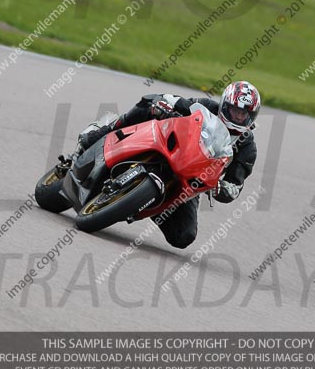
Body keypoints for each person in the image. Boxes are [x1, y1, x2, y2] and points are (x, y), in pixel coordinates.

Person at [77, 81, 261, 249]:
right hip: (173, 148)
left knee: (183, 236)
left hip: (190, 180)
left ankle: (146, 200)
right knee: (149, 104)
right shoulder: (206, 107)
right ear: (224, 105)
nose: (238, 116)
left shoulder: (246, 147)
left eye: (243, 114)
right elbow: (176, 101)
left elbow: (235, 187)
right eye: (234, 110)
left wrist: (219, 187)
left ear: (251, 117)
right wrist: (164, 104)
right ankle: (102, 132)